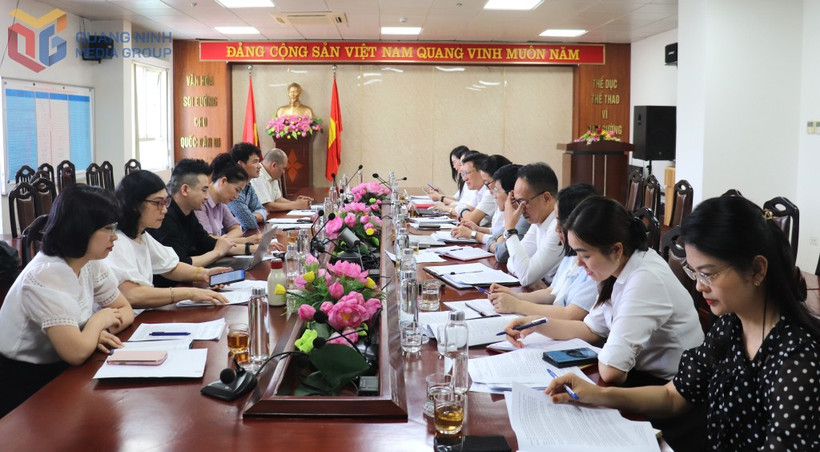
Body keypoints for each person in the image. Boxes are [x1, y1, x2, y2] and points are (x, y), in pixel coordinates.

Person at [546, 196, 820, 451]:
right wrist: (595, 395)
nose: (699, 287)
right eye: (693, 272)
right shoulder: (729, 328)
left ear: (757, 269)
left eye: (708, 274)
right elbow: (672, 397)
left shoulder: (796, 360)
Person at [505, 196, 703, 386]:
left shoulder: (645, 279)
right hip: (642, 375)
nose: (578, 263)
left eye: (586, 255)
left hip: (669, 387)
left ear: (616, 249)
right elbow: (591, 330)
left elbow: (612, 371)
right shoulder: (616, 267)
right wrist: (534, 324)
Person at [0, 185, 135, 417]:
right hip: (23, 382)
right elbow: (76, 352)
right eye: (107, 228)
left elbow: (126, 310)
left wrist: (88, 336)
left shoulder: (89, 261)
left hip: (61, 368)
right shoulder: (45, 275)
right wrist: (97, 323)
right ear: (81, 229)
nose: (115, 237)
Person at [105, 170, 229, 309]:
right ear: (134, 204)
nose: (164, 210)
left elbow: (170, 266)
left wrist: (204, 274)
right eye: (158, 203)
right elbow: (131, 294)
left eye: (166, 202)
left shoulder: (141, 235)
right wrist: (189, 293)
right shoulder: (117, 241)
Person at [489, 184, 598, 319]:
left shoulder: (595, 266)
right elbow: (551, 292)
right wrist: (516, 296)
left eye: (561, 222)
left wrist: (517, 305)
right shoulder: (571, 255)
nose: (556, 228)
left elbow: (570, 314)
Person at [149, 159, 251, 270]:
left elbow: (206, 242)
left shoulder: (188, 212)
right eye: (204, 190)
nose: (207, 197)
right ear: (185, 190)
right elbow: (181, 264)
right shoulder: (165, 218)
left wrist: (249, 248)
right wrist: (217, 252)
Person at [450, 163, 529, 263]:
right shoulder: (516, 214)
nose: (494, 195)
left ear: (511, 195)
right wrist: (483, 233)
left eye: (496, 190)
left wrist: (475, 234)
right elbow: (496, 236)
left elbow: (502, 253)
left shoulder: (526, 218)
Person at [503, 163, 564, 286]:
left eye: (523, 202)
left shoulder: (558, 228)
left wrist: (510, 229)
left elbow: (526, 277)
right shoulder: (538, 221)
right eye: (517, 202)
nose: (520, 209)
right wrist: (528, 276)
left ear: (546, 198)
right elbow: (511, 262)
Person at [195, 153, 260, 246]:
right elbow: (207, 240)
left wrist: (222, 240)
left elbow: (237, 228)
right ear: (223, 181)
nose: (236, 196)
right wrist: (245, 241)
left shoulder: (221, 203)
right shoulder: (200, 203)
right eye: (236, 190)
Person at [251, 148, 313, 213]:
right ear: (274, 165)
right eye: (283, 168)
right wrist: (295, 205)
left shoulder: (272, 175)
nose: (283, 172)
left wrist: (297, 203)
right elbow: (267, 206)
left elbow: (278, 199)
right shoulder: (257, 175)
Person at [227, 142, 268, 231]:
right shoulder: (233, 190)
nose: (259, 166)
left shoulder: (248, 185)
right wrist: (252, 217)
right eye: (255, 162)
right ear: (240, 164)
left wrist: (252, 216)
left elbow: (262, 210)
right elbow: (250, 224)